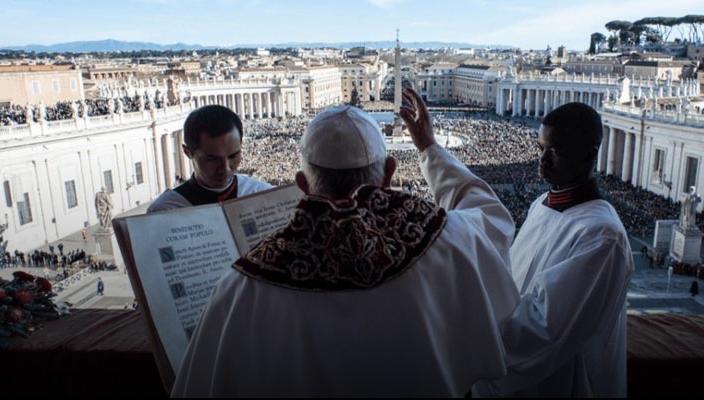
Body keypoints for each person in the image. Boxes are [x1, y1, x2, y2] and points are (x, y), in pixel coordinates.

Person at [172, 87, 520, 397]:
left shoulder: (243, 285)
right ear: (388, 174)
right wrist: (429, 148)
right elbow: (494, 221)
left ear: (302, 185)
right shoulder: (447, 240)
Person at [475, 102, 634, 398]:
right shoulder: (542, 203)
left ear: (589, 156)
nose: (542, 160)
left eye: (555, 151)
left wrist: (471, 334)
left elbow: (545, 329)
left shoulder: (602, 235)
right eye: (540, 148)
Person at [147, 105, 272, 213]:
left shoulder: (265, 194)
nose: (225, 169)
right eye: (212, 159)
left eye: (233, 156)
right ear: (188, 152)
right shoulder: (163, 211)